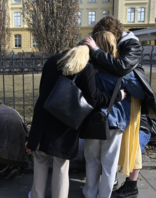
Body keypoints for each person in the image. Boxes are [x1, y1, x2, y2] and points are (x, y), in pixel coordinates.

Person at [27, 45, 127, 198]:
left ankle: (36, 195)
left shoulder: (52, 61)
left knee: (40, 159)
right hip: (64, 124)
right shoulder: (85, 68)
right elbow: (94, 99)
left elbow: (43, 88)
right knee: (61, 165)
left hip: (42, 119)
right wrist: (117, 95)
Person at [81, 16, 156, 190]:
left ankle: (89, 192)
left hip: (91, 118)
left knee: (93, 160)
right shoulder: (123, 71)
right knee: (110, 163)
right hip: (116, 120)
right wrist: (121, 93)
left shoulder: (89, 67)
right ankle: (106, 194)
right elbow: (139, 92)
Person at [111, 118, 152, 198]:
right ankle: (113, 179)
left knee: (136, 146)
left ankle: (131, 187)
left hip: (140, 127)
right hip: (123, 125)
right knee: (115, 142)